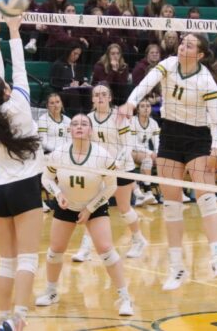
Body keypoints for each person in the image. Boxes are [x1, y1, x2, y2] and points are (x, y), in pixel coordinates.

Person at [118, 32, 217, 290]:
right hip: (170, 135)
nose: (183, 46)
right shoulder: (168, 64)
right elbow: (146, 84)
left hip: (198, 137)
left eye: (189, 44)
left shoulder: (205, 80)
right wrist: (131, 103)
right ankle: (176, 267)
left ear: (200, 54)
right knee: (171, 203)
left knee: (206, 196)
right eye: (183, 42)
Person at [0, 11, 45, 331]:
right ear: (4, 92)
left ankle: (2, 317)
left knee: (7, 260)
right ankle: (18, 318)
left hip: (0, 188)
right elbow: (18, 69)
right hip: (26, 185)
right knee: (28, 258)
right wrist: (13, 31)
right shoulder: (18, 103)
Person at [37, 113, 135, 316]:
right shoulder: (59, 153)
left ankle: (125, 298)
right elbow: (46, 178)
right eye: (75, 124)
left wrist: (90, 209)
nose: (79, 127)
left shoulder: (102, 155)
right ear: (69, 130)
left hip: (95, 205)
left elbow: (111, 186)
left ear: (90, 130)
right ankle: (51, 291)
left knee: (106, 249)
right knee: (55, 250)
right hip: (66, 205)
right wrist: (57, 193)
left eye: (84, 124)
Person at [73, 84, 148, 262]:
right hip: (99, 170)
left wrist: (115, 165)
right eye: (96, 95)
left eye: (103, 94)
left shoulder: (119, 117)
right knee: (92, 207)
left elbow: (128, 145)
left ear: (110, 98)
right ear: (92, 99)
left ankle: (138, 240)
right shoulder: (88, 119)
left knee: (124, 209)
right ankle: (86, 248)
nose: (100, 97)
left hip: (121, 168)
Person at [130, 99, 161, 206]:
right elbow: (133, 144)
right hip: (131, 152)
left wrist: (158, 154)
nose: (146, 108)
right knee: (147, 159)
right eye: (142, 106)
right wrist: (150, 152)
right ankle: (148, 191)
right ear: (138, 110)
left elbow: (157, 142)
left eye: (148, 106)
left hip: (147, 153)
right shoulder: (133, 121)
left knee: (165, 161)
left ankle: (166, 193)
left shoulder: (153, 123)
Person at [50, 43, 90, 115]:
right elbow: (53, 83)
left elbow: (80, 81)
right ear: (69, 51)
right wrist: (68, 85)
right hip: (61, 92)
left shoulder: (78, 66)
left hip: (76, 90)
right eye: (75, 53)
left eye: (78, 54)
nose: (76, 56)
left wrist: (83, 84)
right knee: (73, 93)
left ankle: (88, 115)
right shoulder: (58, 64)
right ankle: (76, 116)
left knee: (89, 91)